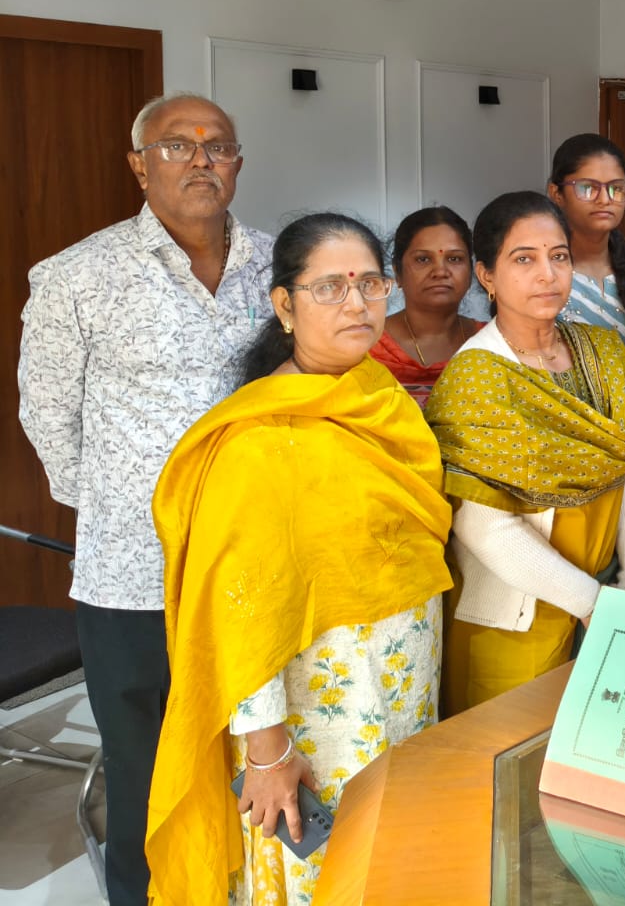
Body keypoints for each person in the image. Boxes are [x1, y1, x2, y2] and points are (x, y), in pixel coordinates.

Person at [144, 213, 452, 906]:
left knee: (395, 862)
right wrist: (268, 752)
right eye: (330, 287)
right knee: (331, 873)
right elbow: (239, 615)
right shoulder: (257, 444)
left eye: (370, 283)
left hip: (406, 687)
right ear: (284, 305)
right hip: (321, 715)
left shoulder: (381, 399)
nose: (356, 303)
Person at [16, 91, 272, 906]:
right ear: (138, 164)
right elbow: (47, 416)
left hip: (256, 563)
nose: (200, 159)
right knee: (146, 773)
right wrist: (125, 506)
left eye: (217, 145)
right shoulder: (76, 277)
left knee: (260, 755)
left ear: (238, 164)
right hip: (134, 575)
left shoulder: (283, 267)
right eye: (175, 145)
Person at [426, 192, 625, 714]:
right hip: (514, 612)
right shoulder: (475, 376)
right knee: (510, 750)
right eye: (523, 259)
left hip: (609, 596)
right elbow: (484, 526)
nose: (547, 274)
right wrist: (592, 602)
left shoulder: (605, 353)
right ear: (486, 275)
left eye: (559, 256)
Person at [547, 133, 625, 353]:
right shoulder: (541, 277)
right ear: (556, 193)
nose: (605, 199)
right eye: (588, 188)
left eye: (616, 189)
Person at [370, 205, 483, 406]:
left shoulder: (493, 344)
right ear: (397, 272)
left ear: (471, 271)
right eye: (423, 259)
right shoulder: (368, 345)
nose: (440, 271)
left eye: (454, 259)